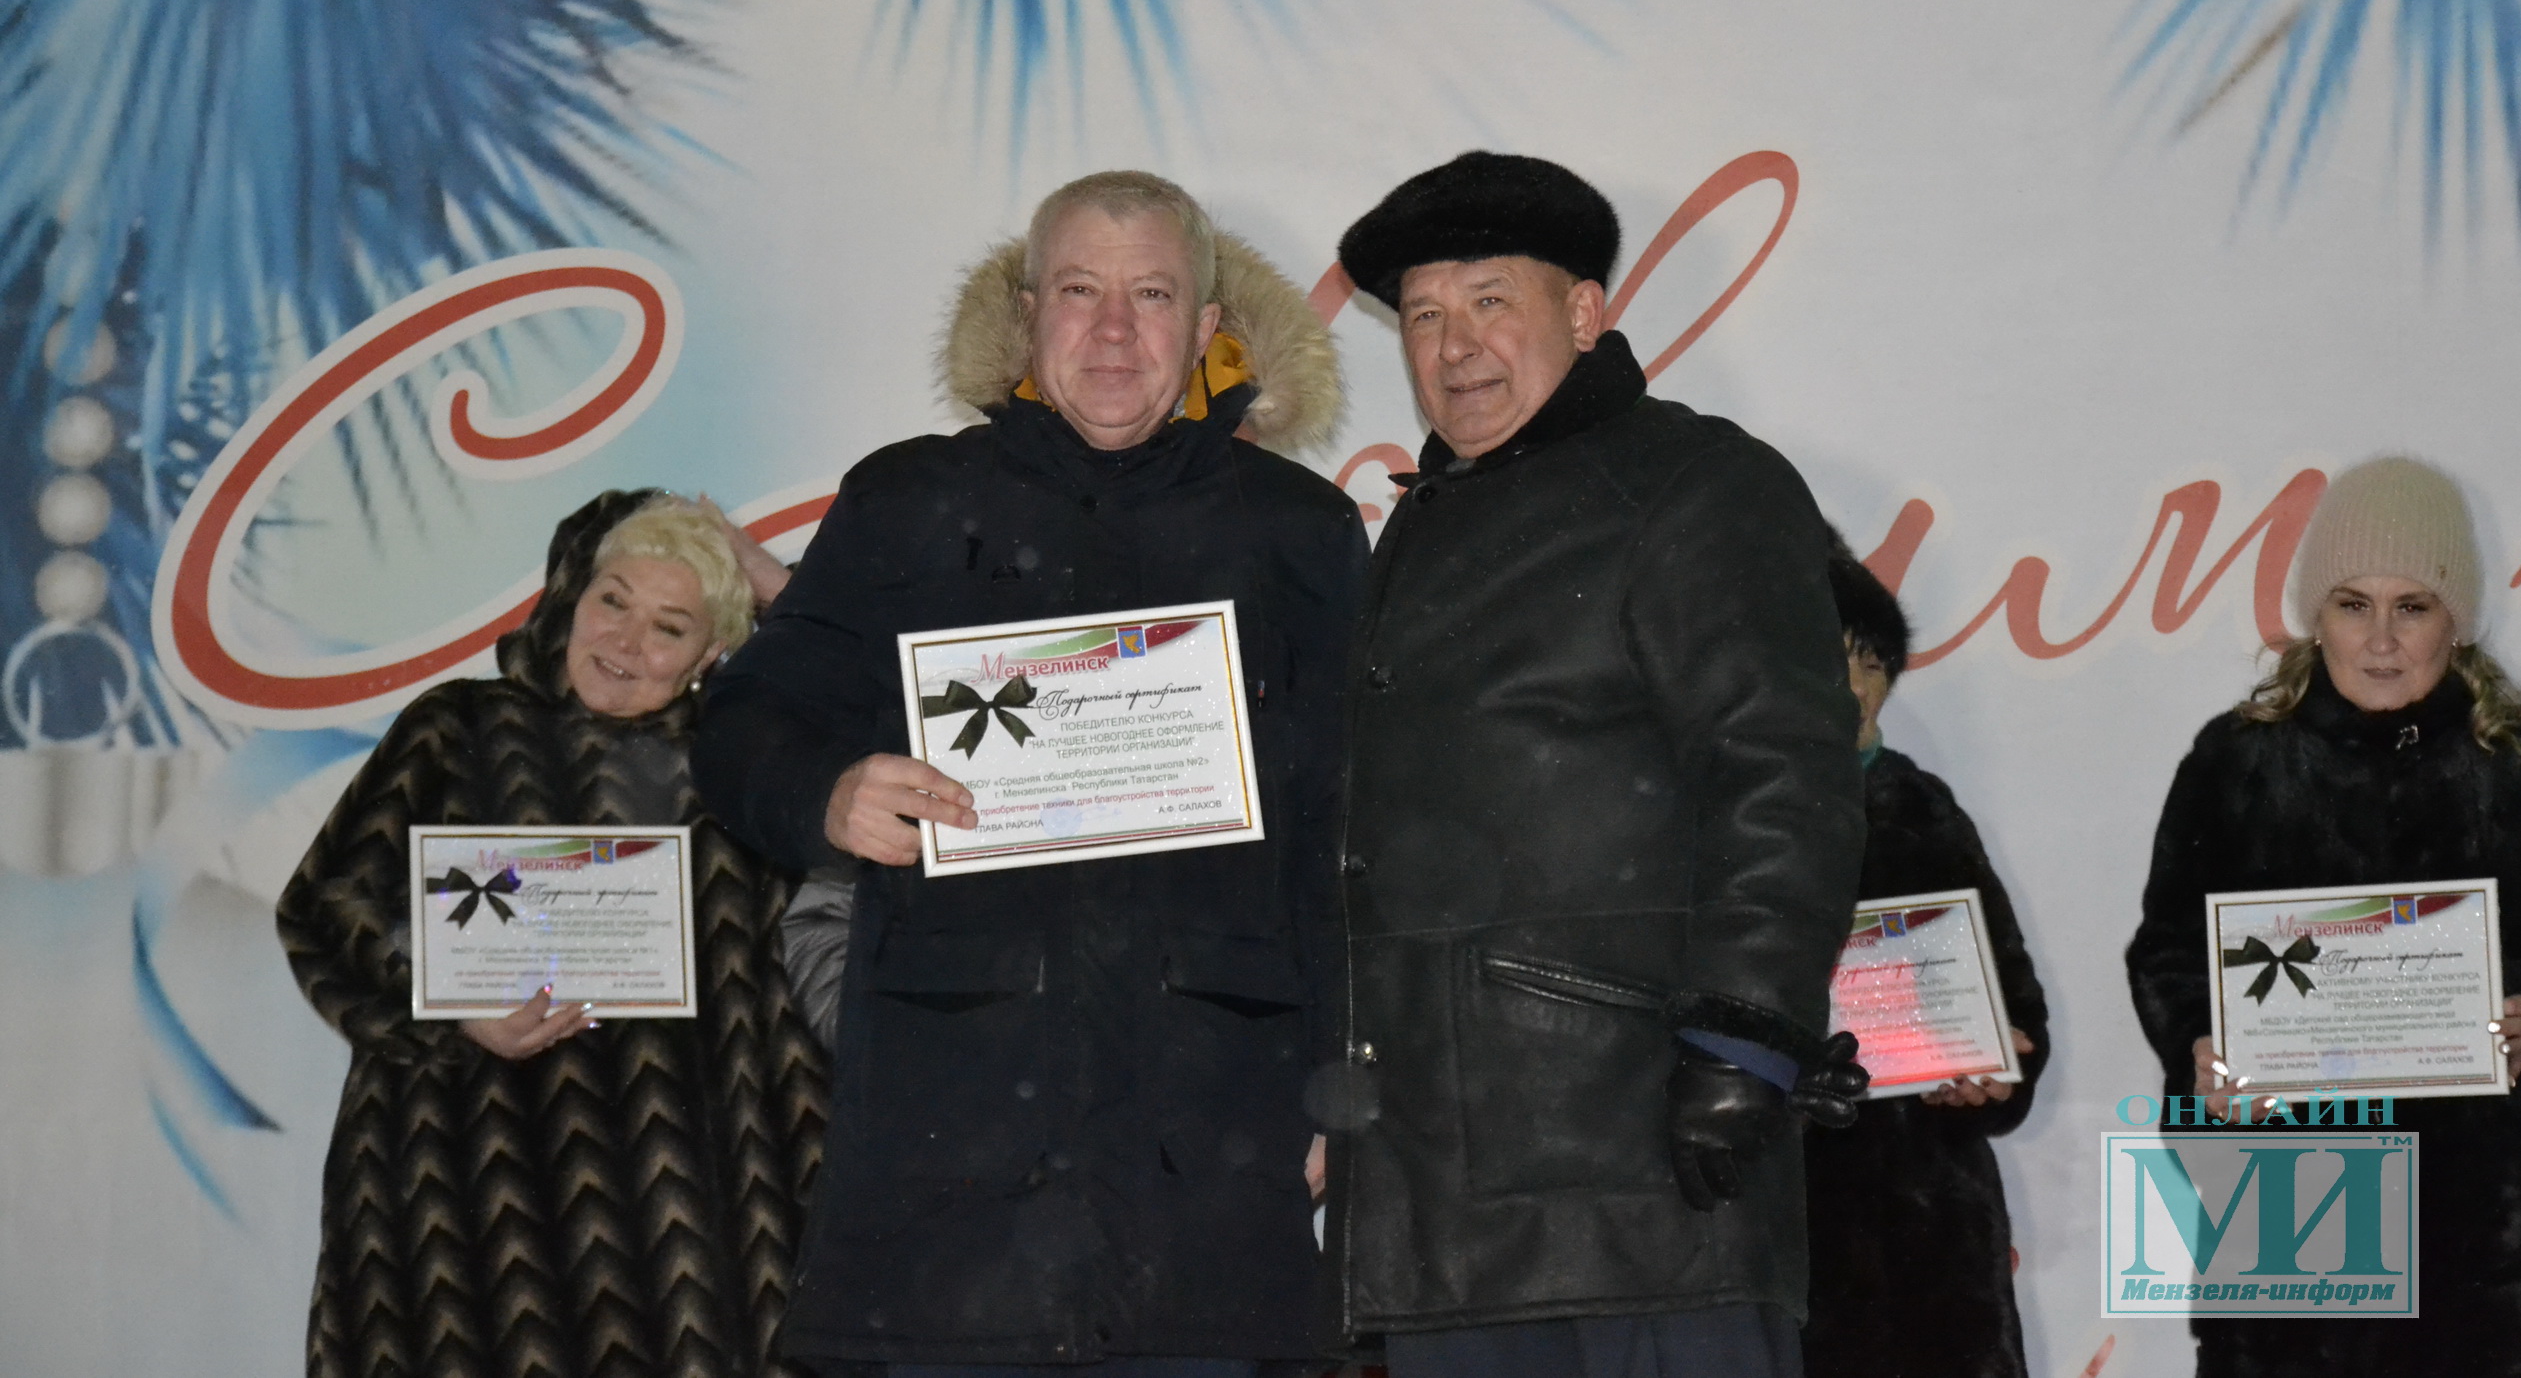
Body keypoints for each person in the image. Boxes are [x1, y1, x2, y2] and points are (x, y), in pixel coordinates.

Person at [690, 171, 1367, 1374]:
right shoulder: (907, 501)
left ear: (1205, 327)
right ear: (1026, 311)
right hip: (958, 1171)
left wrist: (1344, 1072)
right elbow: (745, 718)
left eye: (1150, 295)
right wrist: (828, 791)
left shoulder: (1300, 531)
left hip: (1211, 1156)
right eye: (1077, 290)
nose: (1112, 330)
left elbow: (1345, 831)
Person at [1327, 150, 1868, 1378]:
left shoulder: (1692, 483)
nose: (1455, 345)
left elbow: (1783, 773)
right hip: (1445, 1196)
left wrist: (1744, 1044)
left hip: (1645, 1171)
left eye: (1489, 299)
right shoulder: (1422, 523)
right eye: (1423, 314)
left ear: (1583, 311)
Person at [2124, 456, 2521, 1378]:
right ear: (2317, 615)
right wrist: (2200, 1049)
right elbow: (2169, 954)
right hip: (2296, 1221)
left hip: (2506, 1243)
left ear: (2454, 620)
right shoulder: (2233, 766)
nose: (2380, 639)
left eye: (2411, 606)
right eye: (2352, 604)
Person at [279, 490, 825, 1378]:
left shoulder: (742, 764)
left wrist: (776, 585)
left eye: (669, 626)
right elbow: (328, 902)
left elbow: (805, 963)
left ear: (710, 653)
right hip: (463, 1166)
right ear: (574, 595)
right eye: (613, 600)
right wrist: (445, 1006)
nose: (624, 641)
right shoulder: (457, 726)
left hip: (682, 1191)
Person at [1801, 540, 2046, 1378]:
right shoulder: (1712, 822)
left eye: (1873, 661)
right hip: (1786, 1238)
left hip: (1933, 1241)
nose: (1856, 685)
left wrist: (1995, 1072)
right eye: (1833, 656)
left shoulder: (1923, 809)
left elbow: (2015, 1013)